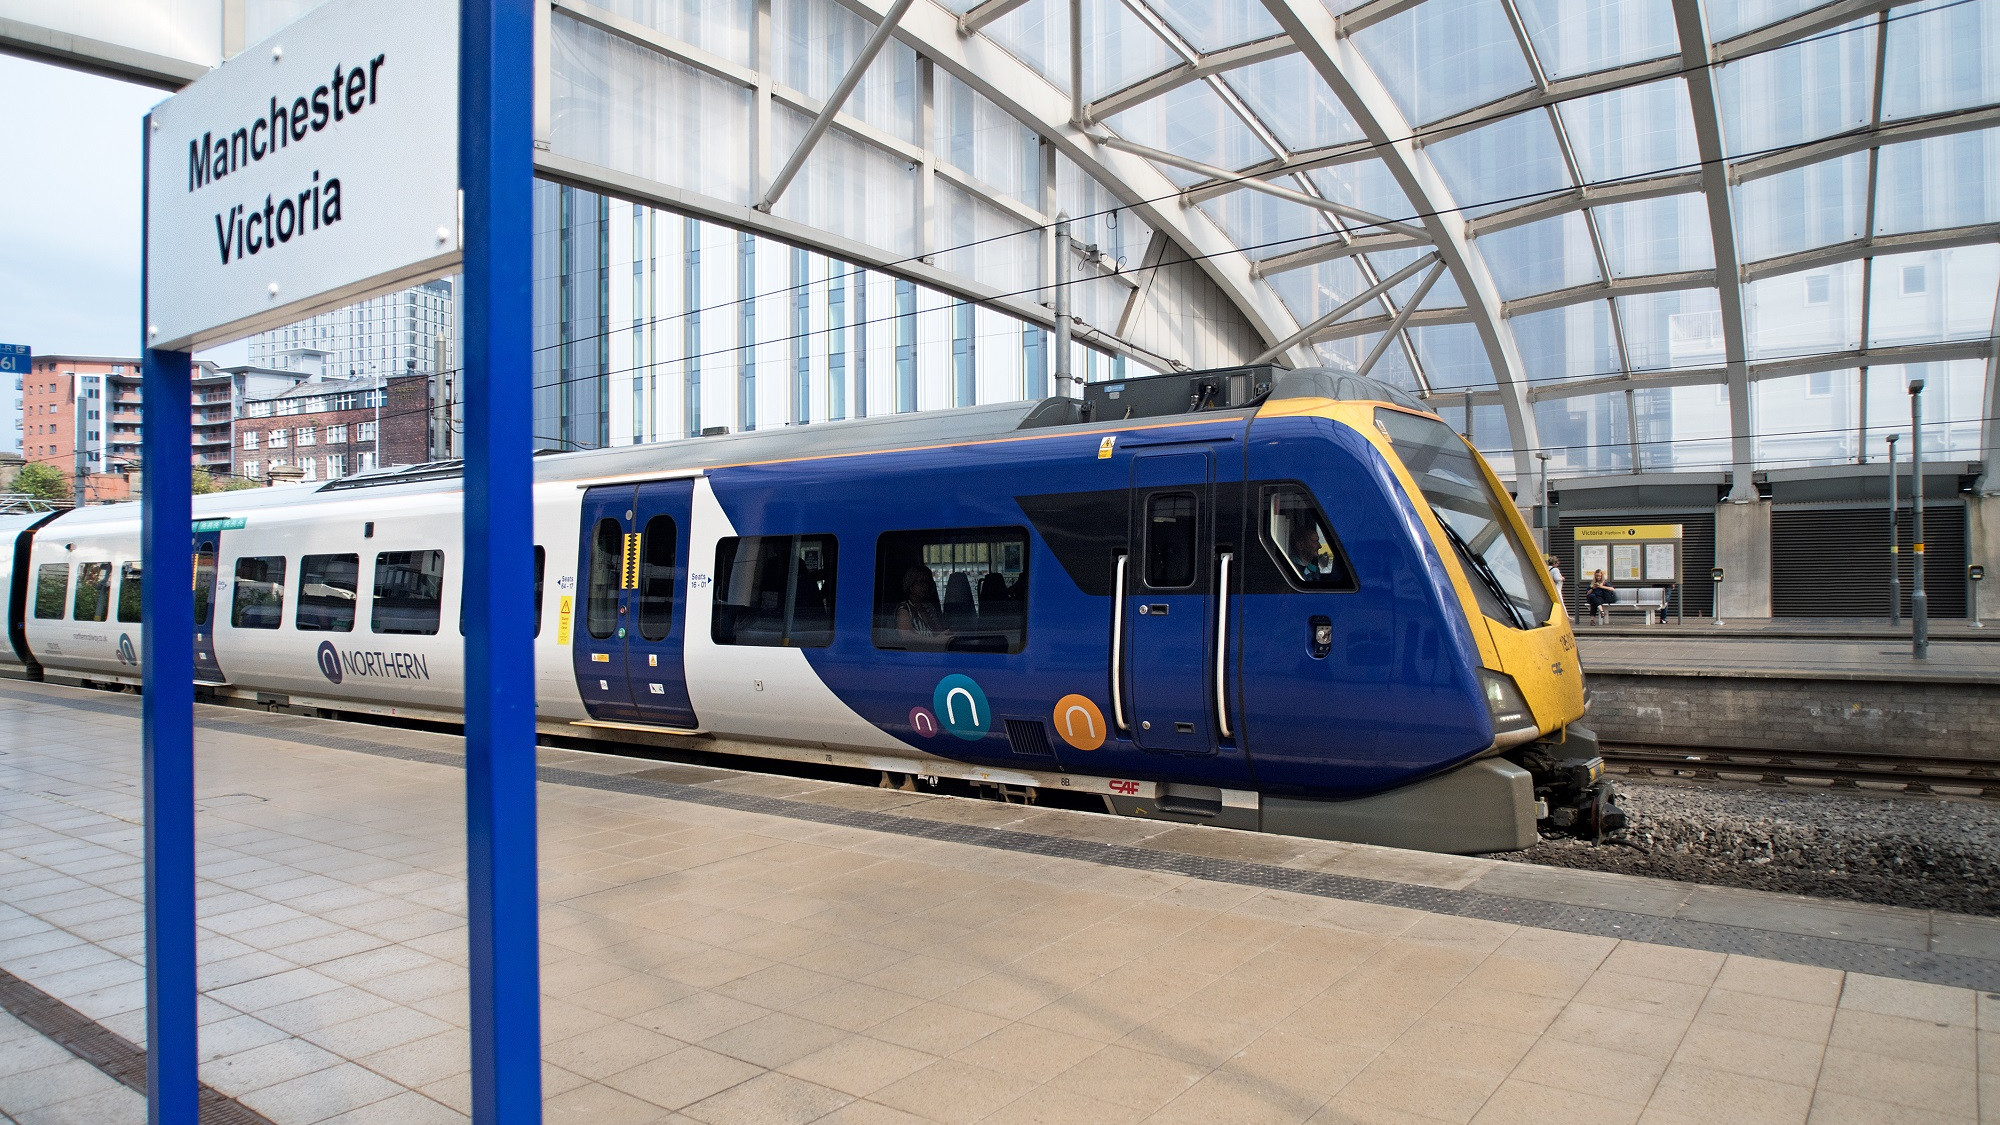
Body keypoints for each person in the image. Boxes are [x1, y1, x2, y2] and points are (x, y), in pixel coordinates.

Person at [894, 565, 949, 648]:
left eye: (927, 582)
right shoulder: (904, 609)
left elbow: (938, 632)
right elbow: (906, 637)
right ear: (911, 585)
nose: (925, 586)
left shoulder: (929, 608)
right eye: (921, 582)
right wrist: (935, 641)